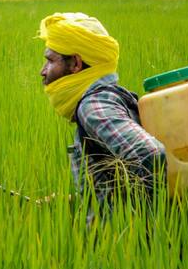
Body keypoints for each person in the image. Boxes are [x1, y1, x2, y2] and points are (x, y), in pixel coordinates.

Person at [36, 13, 165, 222]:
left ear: (76, 64)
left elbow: (149, 154)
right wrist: (72, 201)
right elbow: (114, 185)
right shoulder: (113, 96)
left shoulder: (93, 106)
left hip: (122, 248)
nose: (43, 71)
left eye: (50, 60)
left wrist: (144, 226)